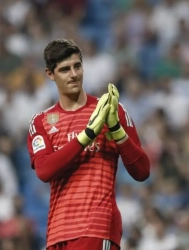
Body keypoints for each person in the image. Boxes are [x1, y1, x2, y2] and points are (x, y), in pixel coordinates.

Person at [26, 39, 150, 250]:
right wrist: (88, 134)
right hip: (57, 233)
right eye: (65, 69)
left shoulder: (112, 111)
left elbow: (142, 171)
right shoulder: (42, 122)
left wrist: (116, 130)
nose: (74, 74)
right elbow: (45, 170)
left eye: (77, 66)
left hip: (96, 227)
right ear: (50, 74)